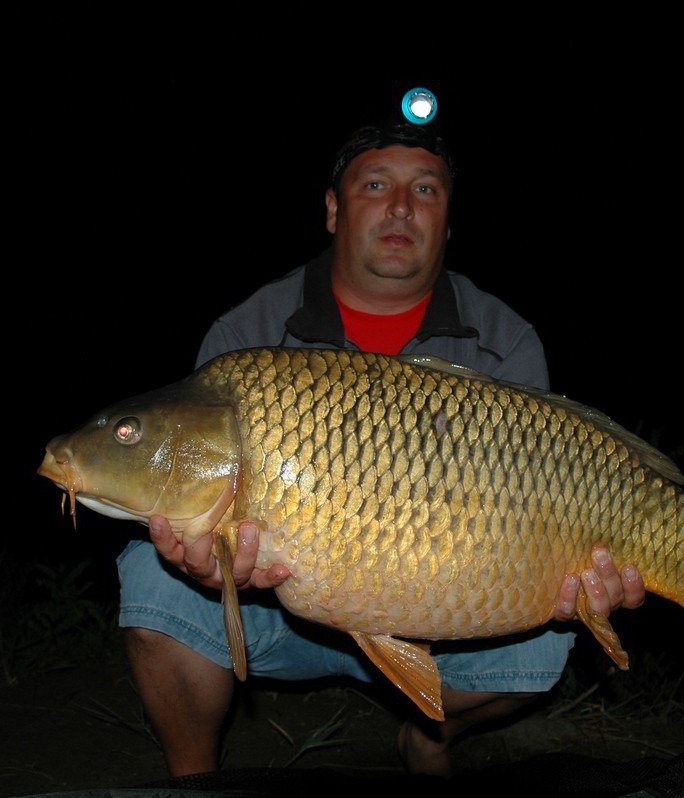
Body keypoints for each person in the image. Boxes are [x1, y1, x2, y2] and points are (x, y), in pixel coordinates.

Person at [116, 110, 646, 779]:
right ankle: (195, 780)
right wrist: (210, 562)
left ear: (448, 222)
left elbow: (542, 508)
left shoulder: (504, 341)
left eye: (426, 190)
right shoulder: (247, 335)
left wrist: (582, 571)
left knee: (541, 649)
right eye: (375, 186)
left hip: (444, 604)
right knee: (150, 579)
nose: (401, 207)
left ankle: (430, 736)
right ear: (334, 210)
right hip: (275, 607)